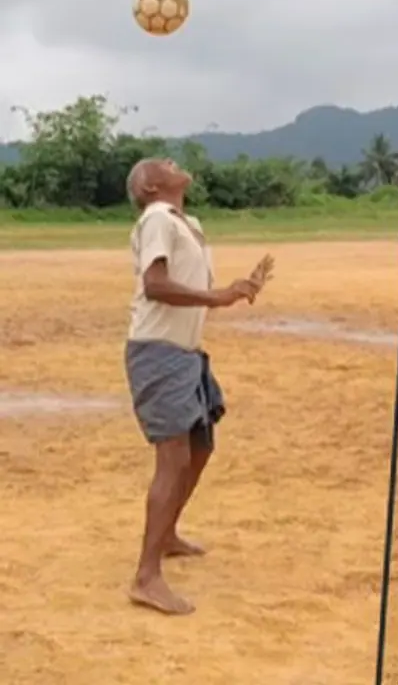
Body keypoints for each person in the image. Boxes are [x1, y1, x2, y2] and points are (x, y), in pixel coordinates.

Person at [124, 157, 268, 615]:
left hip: (183, 352)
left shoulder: (186, 223)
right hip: (159, 352)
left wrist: (236, 288)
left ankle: (165, 535)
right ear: (150, 185)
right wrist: (218, 296)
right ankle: (146, 578)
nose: (174, 162)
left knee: (200, 446)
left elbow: (187, 288)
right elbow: (156, 285)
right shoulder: (156, 220)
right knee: (173, 459)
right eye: (163, 164)